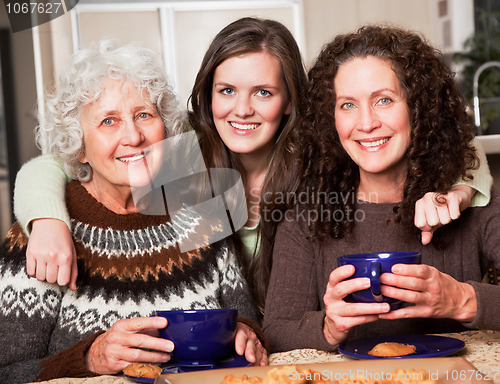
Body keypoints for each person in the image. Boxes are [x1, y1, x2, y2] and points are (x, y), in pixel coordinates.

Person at [13, 18, 491, 314]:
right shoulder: (179, 157)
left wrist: (462, 191)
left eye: (263, 92)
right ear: (208, 95)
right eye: (227, 91)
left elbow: (456, 156)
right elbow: (55, 164)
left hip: (301, 340)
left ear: (288, 102)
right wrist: (47, 220)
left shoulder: (323, 158)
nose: (242, 110)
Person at [0, 40, 266, 384]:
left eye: (144, 115)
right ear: (79, 146)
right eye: (109, 121)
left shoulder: (201, 211)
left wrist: (246, 337)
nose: (134, 136)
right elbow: (7, 372)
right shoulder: (42, 234)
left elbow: (244, 322)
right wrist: (89, 358)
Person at [262, 25, 500, 353]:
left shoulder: (472, 203)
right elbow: (275, 332)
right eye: (347, 105)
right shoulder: (306, 219)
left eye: (383, 100)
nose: (366, 123)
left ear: (418, 108)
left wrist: (462, 300)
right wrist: (328, 327)